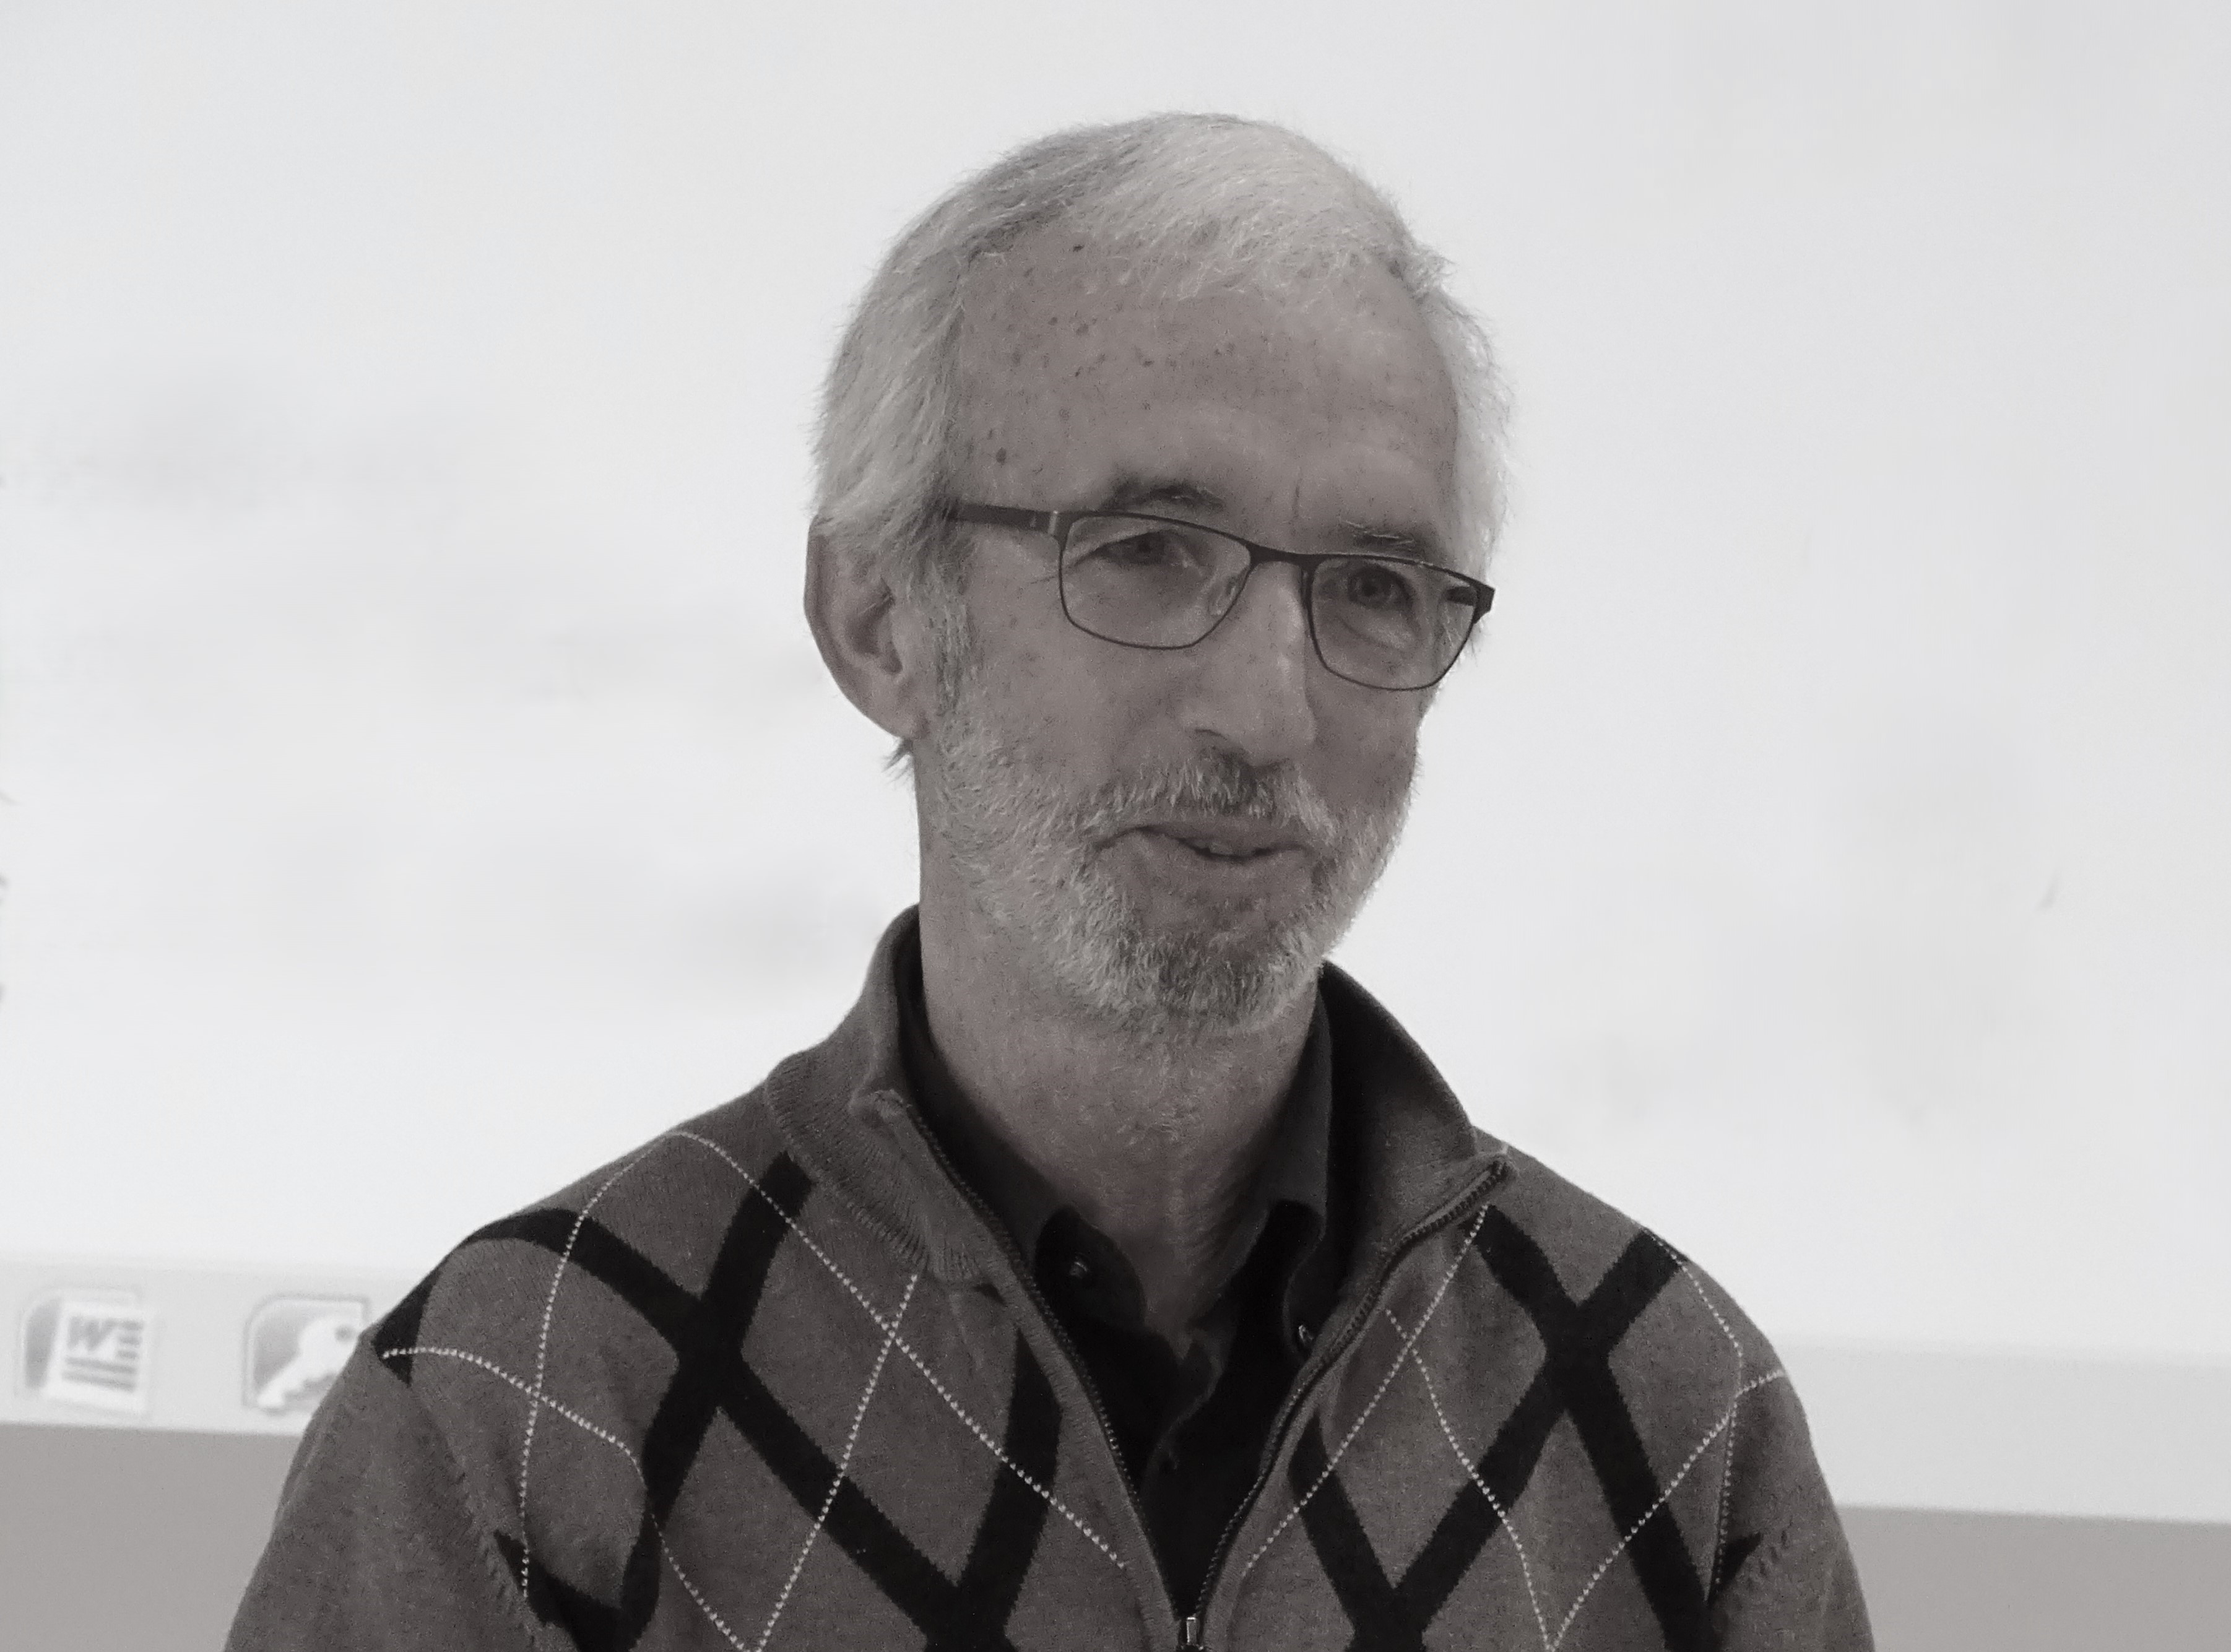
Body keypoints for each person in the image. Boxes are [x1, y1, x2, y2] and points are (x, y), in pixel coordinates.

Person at [228, 113, 1873, 1651]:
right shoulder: (529, 1410)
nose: (1270, 710)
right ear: (879, 620)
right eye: (1148, 552)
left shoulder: (1665, 1419)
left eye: (1375, 586)